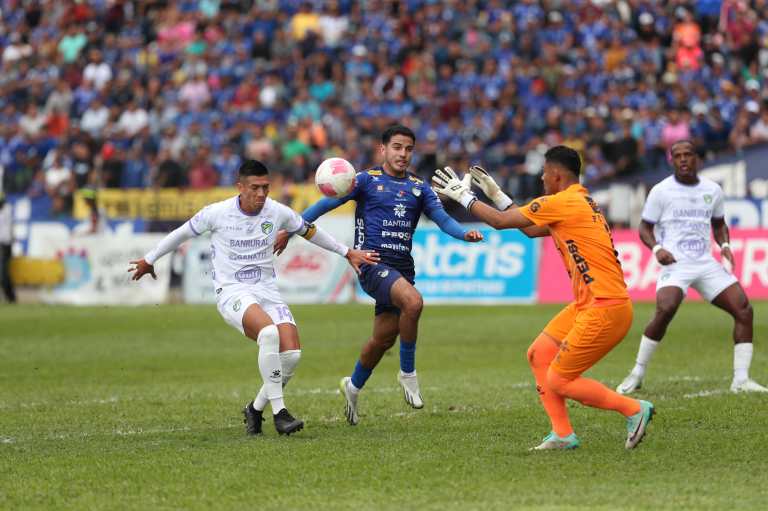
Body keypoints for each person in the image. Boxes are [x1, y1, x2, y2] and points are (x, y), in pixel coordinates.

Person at [129, 159, 379, 436]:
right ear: (240, 187)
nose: (261, 194)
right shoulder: (217, 213)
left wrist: (347, 252)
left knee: (292, 355)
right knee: (269, 334)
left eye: (265, 188)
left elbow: (310, 230)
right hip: (232, 292)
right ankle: (280, 413)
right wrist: (149, 259)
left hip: (267, 291)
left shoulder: (277, 211)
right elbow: (181, 233)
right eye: (255, 188)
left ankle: (255, 409)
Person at [432, 145, 653, 450]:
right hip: (590, 303)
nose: (541, 178)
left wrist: (464, 197)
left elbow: (499, 222)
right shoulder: (580, 201)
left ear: (557, 175)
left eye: (544, 173)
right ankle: (562, 434)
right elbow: (532, 230)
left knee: (560, 380)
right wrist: (498, 195)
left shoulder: (562, 202)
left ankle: (634, 409)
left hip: (605, 306)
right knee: (539, 354)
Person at [275, 124, 483, 425]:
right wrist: (290, 230)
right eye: (397, 147)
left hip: (402, 268)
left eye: (408, 149)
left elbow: (443, 219)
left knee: (382, 340)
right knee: (413, 302)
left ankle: (353, 385)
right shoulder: (365, 180)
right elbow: (323, 205)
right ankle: (407, 373)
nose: (403, 154)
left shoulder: (420, 187)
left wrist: (464, 234)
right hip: (371, 264)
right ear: (383, 149)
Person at [617, 140, 767, 394]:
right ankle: (637, 372)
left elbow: (719, 224)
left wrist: (725, 245)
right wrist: (657, 249)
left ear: (697, 158)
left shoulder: (712, 189)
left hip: (705, 263)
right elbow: (644, 227)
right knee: (666, 308)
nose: (683, 159)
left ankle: (741, 380)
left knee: (744, 310)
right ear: (671, 160)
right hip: (675, 264)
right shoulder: (661, 191)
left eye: (688, 154)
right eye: (678, 156)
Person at [0, 192, 16, 303]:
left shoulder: (7, 209)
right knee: (3, 273)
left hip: (5, 245)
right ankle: (10, 297)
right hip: (4, 244)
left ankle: (10, 297)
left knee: (3, 274)